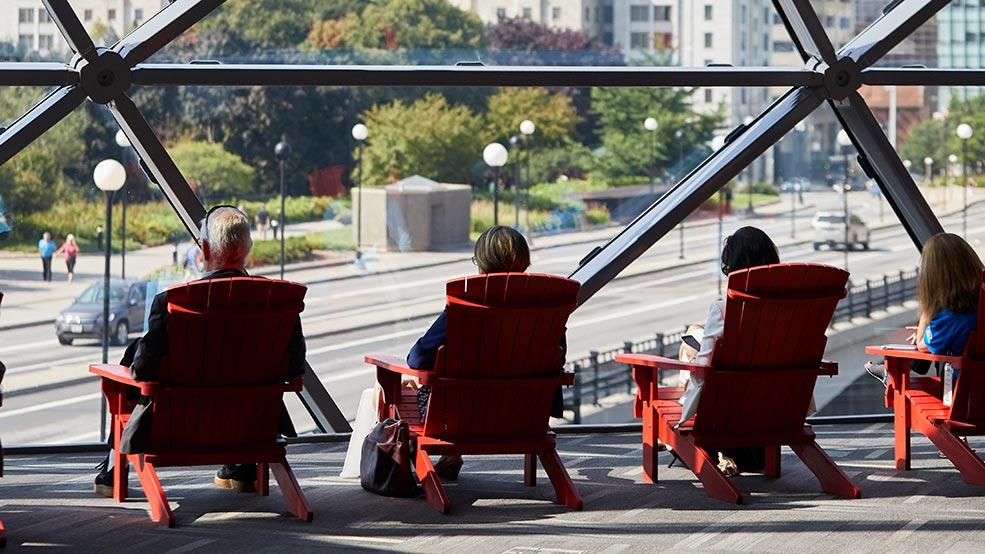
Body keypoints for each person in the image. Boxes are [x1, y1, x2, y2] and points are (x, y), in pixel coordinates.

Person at [93, 207, 307, 496]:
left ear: (205, 248)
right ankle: (242, 467)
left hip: (175, 430)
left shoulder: (171, 302)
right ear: (248, 248)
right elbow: (295, 368)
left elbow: (143, 371)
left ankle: (111, 472)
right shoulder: (280, 301)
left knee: (133, 360)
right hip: (252, 429)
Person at [406, 225, 565, 479]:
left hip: (457, 418)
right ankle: (450, 458)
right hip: (525, 415)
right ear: (525, 262)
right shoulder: (550, 305)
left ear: (480, 265)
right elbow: (558, 358)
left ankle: (407, 472)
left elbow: (417, 359)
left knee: (392, 392)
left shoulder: (464, 305)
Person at [678, 226, 780, 475]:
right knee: (696, 331)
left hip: (725, 412)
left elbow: (704, 368)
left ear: (732, 268)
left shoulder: (725, 308)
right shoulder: (794, 309)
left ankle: (674, 442)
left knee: (690, 346)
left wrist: (687, 386)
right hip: (775, 407)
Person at [867, 233, 983, 384]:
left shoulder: (949, 316)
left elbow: (922, 345)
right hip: (978, 384)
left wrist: (928, 306)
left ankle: (891, 374)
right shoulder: (979, 302)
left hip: (960, 389)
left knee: (927, 344)